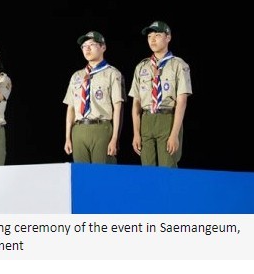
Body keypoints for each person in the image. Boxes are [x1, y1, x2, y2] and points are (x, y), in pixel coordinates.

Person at [129, 20, 192, 167]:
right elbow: (136, 103)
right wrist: (136, 133)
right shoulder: (141, 67)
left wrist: (174, 134)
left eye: (157, 35)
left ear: (168, 37)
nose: (152, 39)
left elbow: (182, 102)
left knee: (167, 168)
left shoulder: (178, 65)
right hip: (146, 119)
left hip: (167, 119)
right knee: (147, 169)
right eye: (149, 36)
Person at [63, 31, 125, 164]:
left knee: (103, 172)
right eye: (84, 46)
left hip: (101, 128)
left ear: (103, 47)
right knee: (82, 173)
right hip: (79, 130)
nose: (87, 49)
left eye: (91, 44)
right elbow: (70, 108)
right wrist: (67, 137)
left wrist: (115, 138)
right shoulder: (77, 76)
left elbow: (118, 108)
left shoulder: (112, 74)